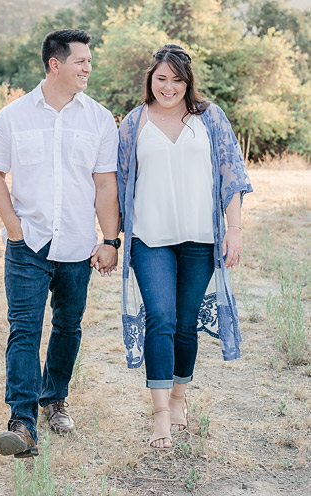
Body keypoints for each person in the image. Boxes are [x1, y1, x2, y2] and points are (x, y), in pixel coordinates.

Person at [0, 29, 120, 459]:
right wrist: (14, 227)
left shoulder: (99, 119)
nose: (88, 68)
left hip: (79, 245)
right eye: (80, 61)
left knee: (67, 326)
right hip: (28, 244)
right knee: (24, 329)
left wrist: (110, 240)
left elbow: (104, 186)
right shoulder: (13, 116)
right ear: (55, 64)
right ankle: (22, 423)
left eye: (89, 61)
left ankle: (54, 398)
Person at [117, 43, 251, 449]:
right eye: (161, 79)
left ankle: (178, 399)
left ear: (188, 81)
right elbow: (118, 183)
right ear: (150, 80)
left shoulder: (209, 118)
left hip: (200, 237)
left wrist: (235, 228)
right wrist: (110, 238)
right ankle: (159, 414)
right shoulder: (133, 123)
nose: (169, 87)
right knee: (160, 317)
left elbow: (231, 173)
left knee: (185, 321)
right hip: (150, 238)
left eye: (177, 79)